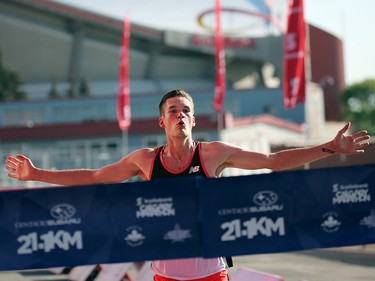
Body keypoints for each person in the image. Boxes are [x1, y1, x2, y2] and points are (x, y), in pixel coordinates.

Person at [5, 89, 370, 281]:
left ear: (194, 120)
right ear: (162, 121)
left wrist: (328, 148)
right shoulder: (145, 159)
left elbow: (273, 163)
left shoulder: (212, 155)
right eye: (173, 111)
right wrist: (37, 174)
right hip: (165, 275)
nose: (180, 115)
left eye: (185, 111)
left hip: (211, 273)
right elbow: (96, 177)